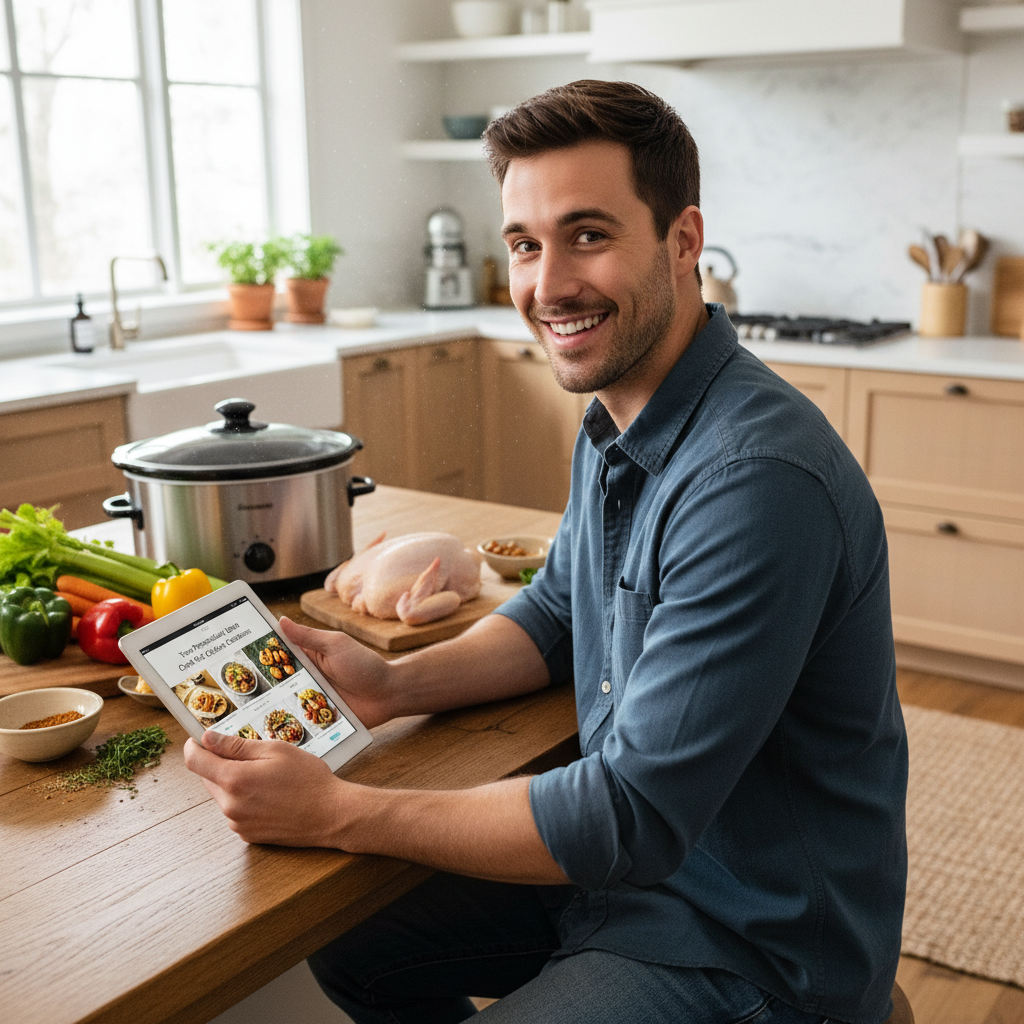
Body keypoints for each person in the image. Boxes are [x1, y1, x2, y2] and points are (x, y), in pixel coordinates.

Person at [184, 80, 908, 1024]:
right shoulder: (619, 410)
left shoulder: (755, 479)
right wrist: (391, 685)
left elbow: (629, 817)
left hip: (751, 942)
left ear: (683, 241)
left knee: (359, 861)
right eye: (526, 243)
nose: (548, 284)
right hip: (636, 883)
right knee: (350, 945)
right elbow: (559, 613)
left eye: (589, 235)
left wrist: (339, 812)